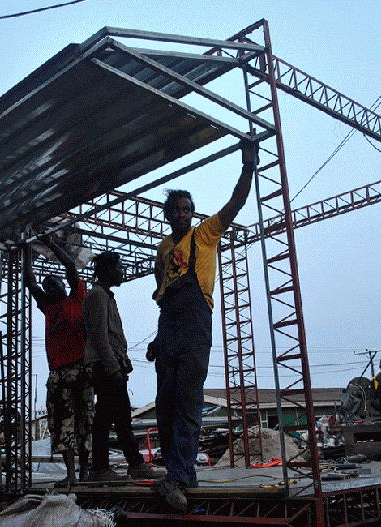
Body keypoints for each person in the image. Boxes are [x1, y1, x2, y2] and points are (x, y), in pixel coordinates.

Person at [149, 138, 258, 510]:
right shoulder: (163, 250)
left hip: (196, 321)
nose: (182, 214)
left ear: (193, 213)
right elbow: (161, 287)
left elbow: (237, 202)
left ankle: (178, 477)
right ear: (168, 214)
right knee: (165, 403)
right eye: (176, 209)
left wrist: (248, 167)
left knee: (187, 401)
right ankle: (182, 472)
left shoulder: (207, 233)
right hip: (169, 323)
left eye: (187, 209)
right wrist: (158, 337)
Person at [83, 251, 165, 482]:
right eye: (119, 267)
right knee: (117, 418)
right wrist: (113, 368)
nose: (123, 271)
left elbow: (109, 337)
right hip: (105, 367)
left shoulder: (105, 296)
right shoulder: (97, 296)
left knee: (109, 418)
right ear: (108, 270)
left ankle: (103, 468)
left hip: (109, 365)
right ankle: (126, 466)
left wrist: (122, 364)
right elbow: (100, 338)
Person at [23, 236, 92, 487]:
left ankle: (84, 471)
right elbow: (30, 282)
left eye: (55, 284)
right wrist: (27, 252)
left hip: (80, 368)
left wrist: (51, 243)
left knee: (84, 421)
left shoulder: (76, 298)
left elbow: (71, 267)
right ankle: (71, 474)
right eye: (47, 286)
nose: (51, 288)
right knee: (62, 425)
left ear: (64, 286)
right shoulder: (47, 307)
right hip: (58, 374)